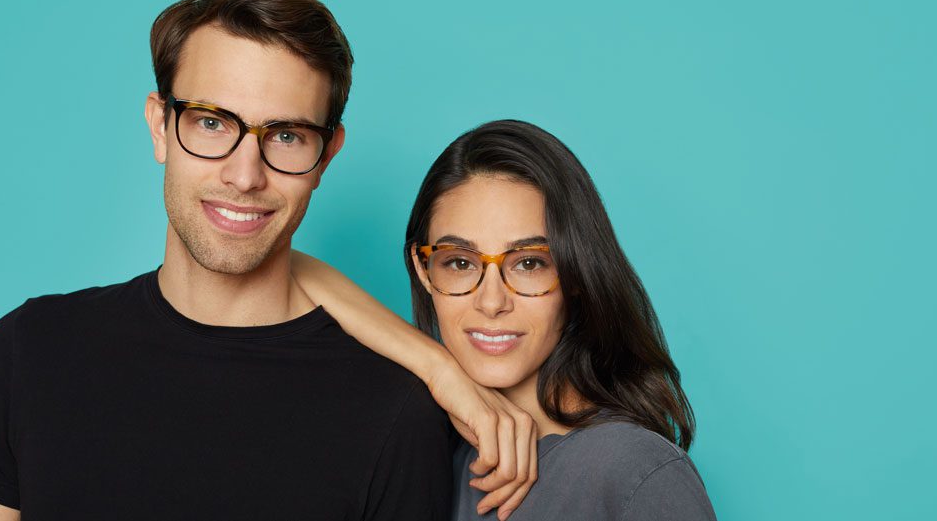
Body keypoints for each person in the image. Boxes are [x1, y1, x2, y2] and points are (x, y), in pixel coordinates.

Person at [0, 0, 534, 520]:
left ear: (326, 155)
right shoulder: (31, 352)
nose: (244, 174)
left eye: (285, 136)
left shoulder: (397, 415)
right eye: (211, 123)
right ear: (161, 126)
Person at [291, 120, 717, 520]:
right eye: (458, 262)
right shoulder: (426, 451)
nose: (491, 302)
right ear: (423, 272)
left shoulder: (633, 471)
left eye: (529, 263)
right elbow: (270, 265)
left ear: (575, 274)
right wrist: (436, 368)